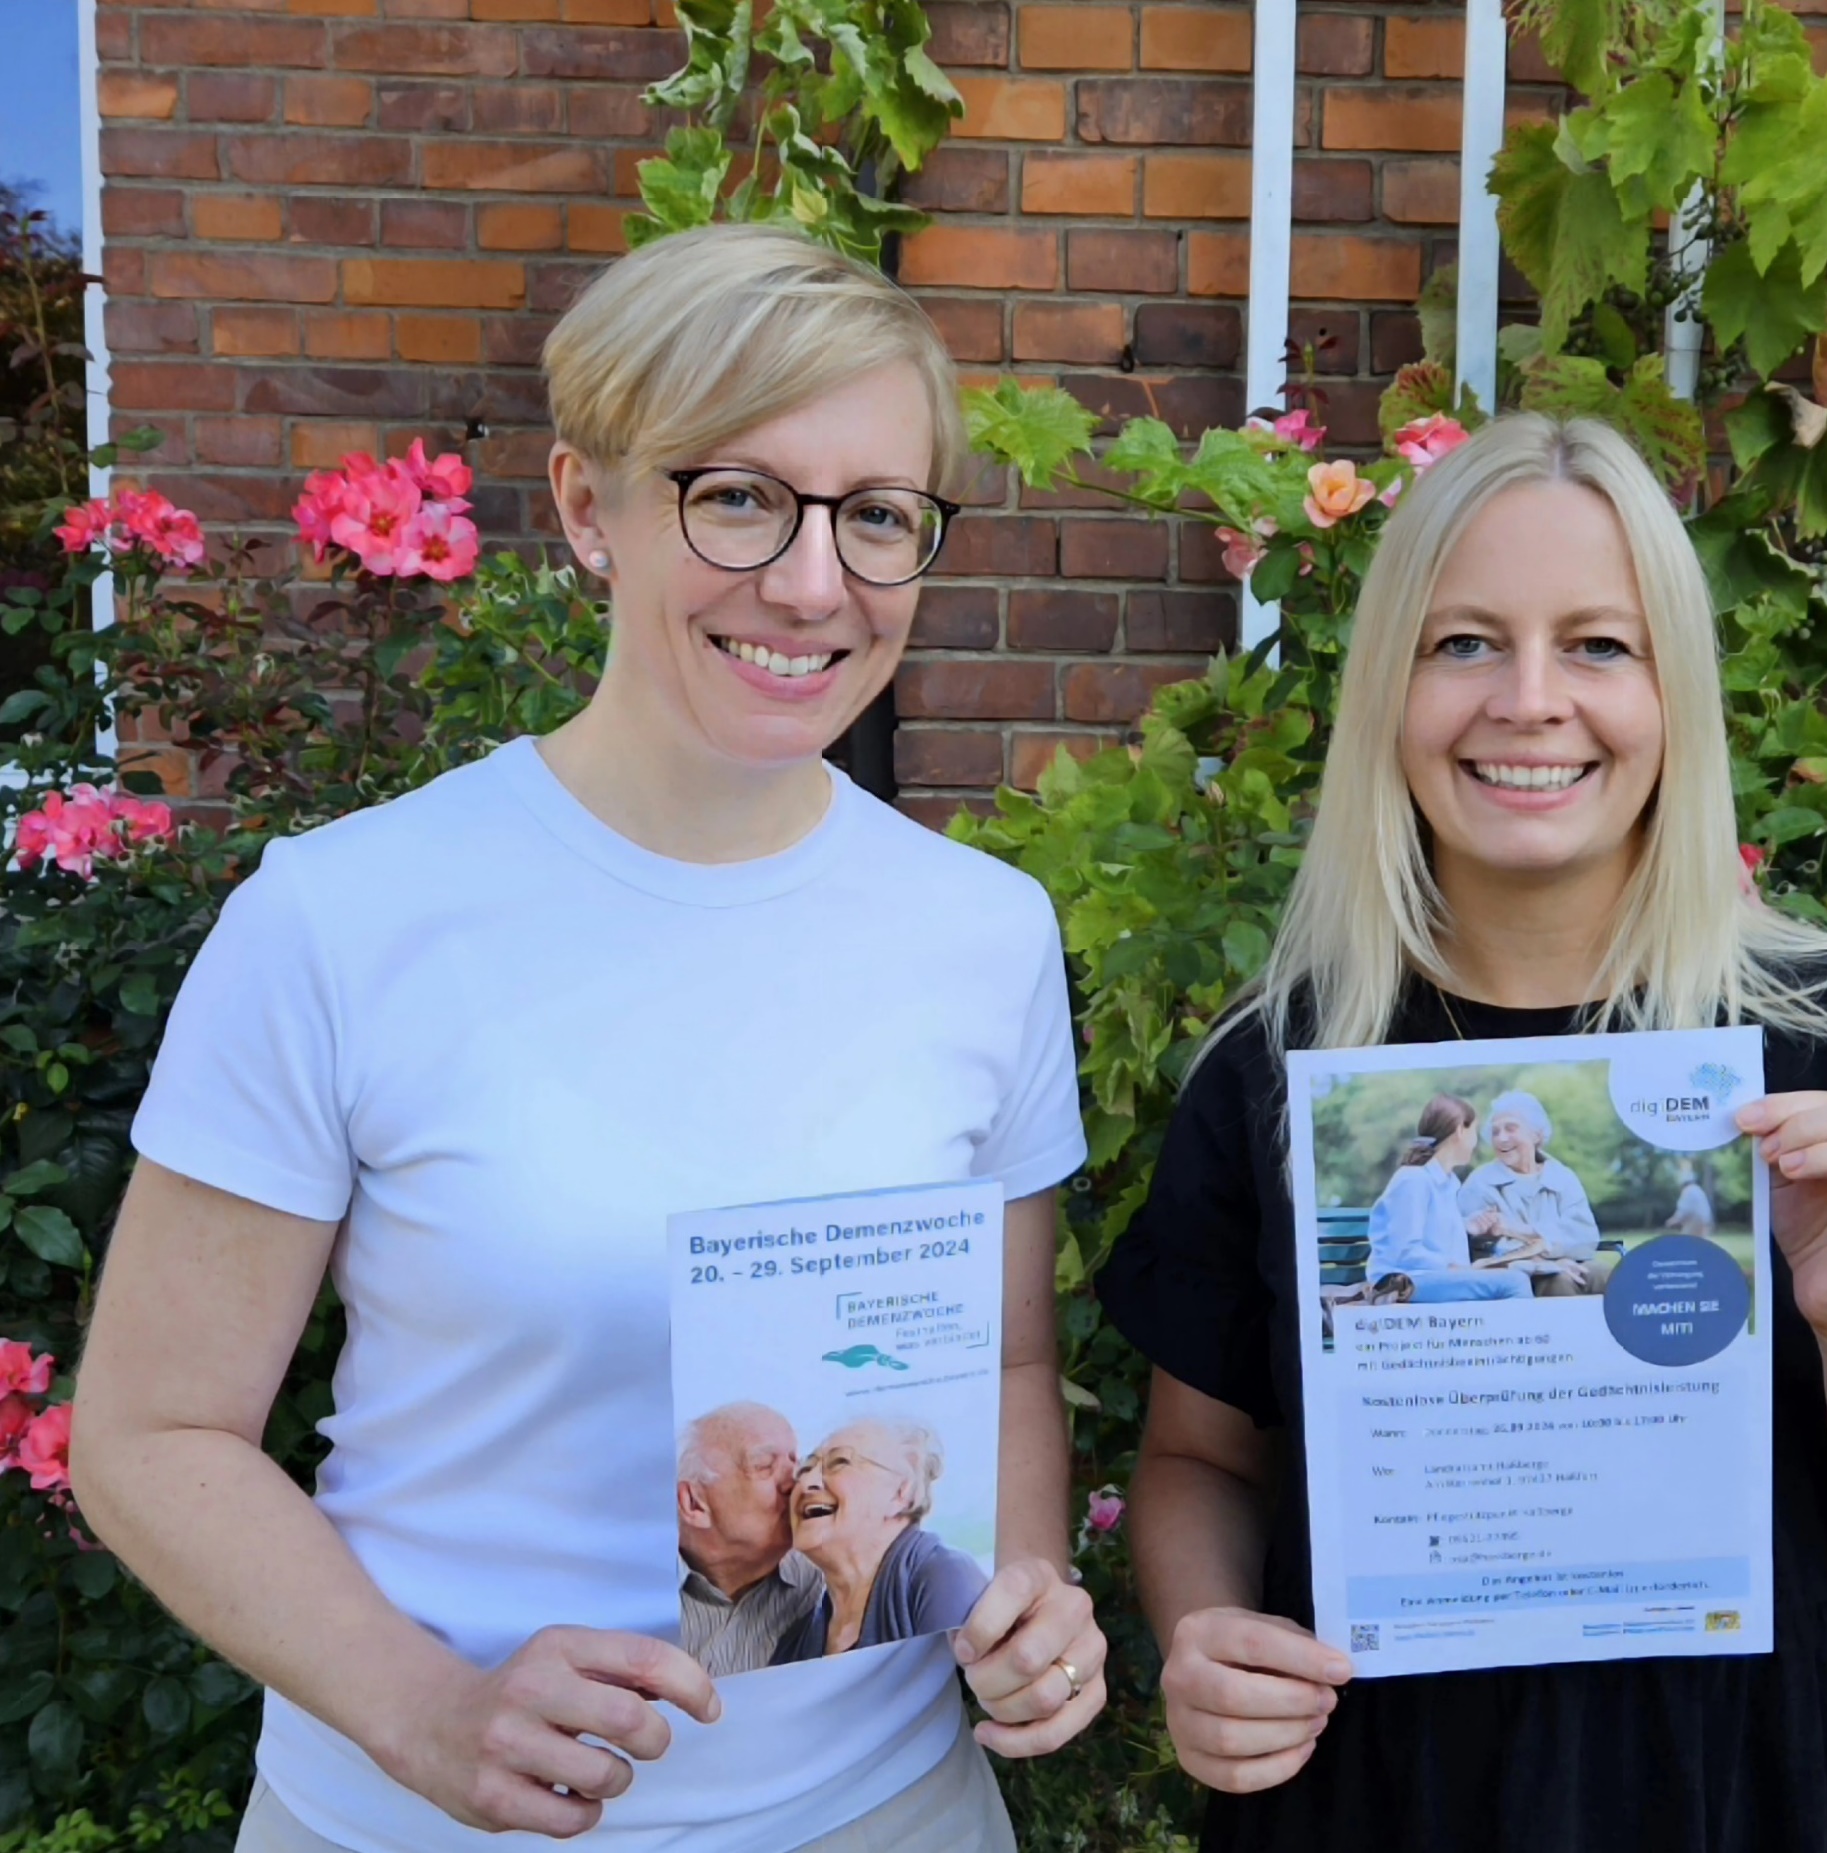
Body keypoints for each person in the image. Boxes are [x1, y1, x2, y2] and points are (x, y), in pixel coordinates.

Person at [71, 224, 1106, 1853]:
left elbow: (1004, 1358)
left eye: (877, 516)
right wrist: (423, 1711)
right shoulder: (342, 919)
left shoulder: (980, 934)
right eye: (739, 495)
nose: (814, 581)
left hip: (887, 1811)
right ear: (584, 508)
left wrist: (1023, 1593)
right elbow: (147, 1434)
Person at [1098, 414, 1827, 1852]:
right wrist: (1205, 1627)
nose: (1530, 701)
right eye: (1463, 643)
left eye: (1597, 644)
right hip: (1386, 1790)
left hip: (1758, 1791)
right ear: (1388, 685)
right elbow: (1200, 1457)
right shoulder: (1278, 1068)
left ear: (1674, 695)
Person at [771, 1419, 990, 1664]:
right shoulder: (795, 1642)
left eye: (839, 1462)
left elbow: (966, 1696)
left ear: (900, 1493)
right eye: (805, 1469)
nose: (807, 1483)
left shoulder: (943, 1577)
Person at [678, 1403, 825, 1677]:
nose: (795, 1484)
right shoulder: (629, 1592)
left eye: (797, 1463)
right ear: (694, 1503)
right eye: (764, 1466)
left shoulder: (825, 1578)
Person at [1361, 1096, 1528, 1304]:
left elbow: (1436, 1240)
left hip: (1433, 1279)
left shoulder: (1449, 1184)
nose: (1476, 1142)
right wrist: (1452, 1267)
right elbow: (1404, 1251)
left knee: (1517, 1272)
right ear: (1460, 1130)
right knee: (1514, 1283)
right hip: (1404, 1284)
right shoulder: (1413, 1179)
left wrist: (1468, 1228)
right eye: (1474, 1132)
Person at [1456, 1090, 1607, 1294]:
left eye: (1511, 1128)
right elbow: (1479, 1251)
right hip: (1513, 1274)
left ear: (1536, 1135)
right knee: (1558, 1281)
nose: (1501, 1138)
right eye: (1495, 1132)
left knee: (1605, 1274)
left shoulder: (1562, 1176)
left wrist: (1519, 1229)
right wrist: (1547, 1262)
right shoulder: (1480, 1182)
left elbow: (1586, 1236)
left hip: (1568, 1261)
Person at [1665, 1160, 1717, 1240]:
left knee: (1685, 1244)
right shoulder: (1698, 1190)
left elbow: (1683, 1211)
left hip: (1695, 1223)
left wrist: (1671, 1221)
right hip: (1705, 1223)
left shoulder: (1687, 1192)